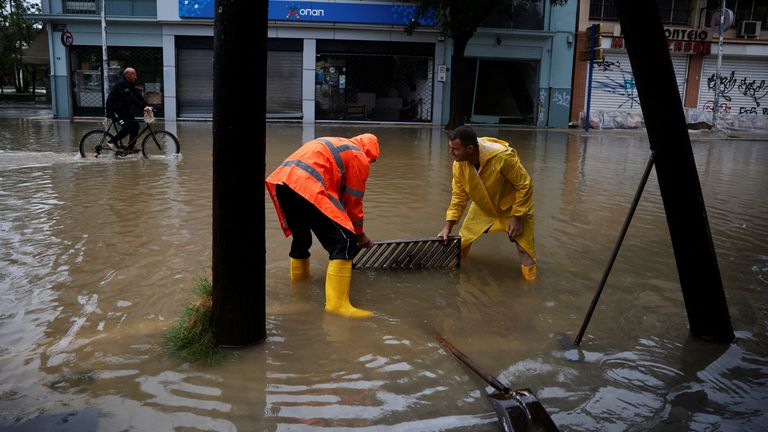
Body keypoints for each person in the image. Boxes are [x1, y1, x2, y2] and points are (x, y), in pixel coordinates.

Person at [265, 134, 380, 318]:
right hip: (307, 186)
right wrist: (359, 235)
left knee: (302, 238)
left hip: (283, 183)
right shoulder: (359, 157)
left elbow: (338, 200)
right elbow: (353, 202)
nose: (370, 164)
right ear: (371, 153)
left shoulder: (340, 145)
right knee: (345, 243)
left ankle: (299, 290)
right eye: (372, 161)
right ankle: (337, 306)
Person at [437, 125, 537, 281]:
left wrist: (517, 216)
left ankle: (531, 289)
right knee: (460, 244)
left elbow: (524, 184)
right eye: (450, 148)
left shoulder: (502, 157)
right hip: (482, 209)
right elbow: (459, 196)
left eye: (454, 149)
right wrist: (447, 226)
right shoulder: (459, 165)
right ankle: (451, 277)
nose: (450, 153)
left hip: (513, 209)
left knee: (525, 251)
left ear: (470, 149)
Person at [105, 67, 152, 152]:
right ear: (128, 75)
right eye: (134, 75)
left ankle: (131, 147)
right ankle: (111, 142)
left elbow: (136, 95)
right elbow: (130, 98)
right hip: (114, 110)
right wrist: (142, 107)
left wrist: (147, 105)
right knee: (127, 127)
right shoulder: (121, 84)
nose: (136, 77)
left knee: (135, 126)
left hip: (123, 110)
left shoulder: (129, 83)